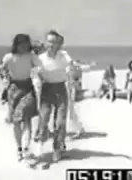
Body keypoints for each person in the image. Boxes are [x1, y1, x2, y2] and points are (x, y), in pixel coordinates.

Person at [34, 30, 88, 164]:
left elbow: (72, 64)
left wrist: (80, 67)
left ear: (58, 43)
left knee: (60, 122)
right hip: (47, 89)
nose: (51, 44)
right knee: (44, 117)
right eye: (49, 41)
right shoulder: (40, 58)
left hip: (60, 89)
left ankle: (57, 149)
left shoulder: (63, 55)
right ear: (45, 43)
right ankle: (39, 143)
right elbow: (35, 74)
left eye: (54, 42)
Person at [0, 34, 41, 162]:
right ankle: (19, 148)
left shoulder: (31, 56)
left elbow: (41, 66)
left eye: (27, 43)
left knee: (26, 117)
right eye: (23, 44)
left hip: (28, 88)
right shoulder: (9, 57)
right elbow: (0, 68)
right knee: (16, 121)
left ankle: (26, 147)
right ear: (17, 44)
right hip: (14, 90)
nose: (25, 46)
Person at [66, 60, 96, 139]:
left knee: (71, 113)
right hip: (69, 90)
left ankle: (79, 130)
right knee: (71, 113)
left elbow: (85, 68)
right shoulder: (73, 69)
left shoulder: (73, 69)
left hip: (70, 91)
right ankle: (80, 129)